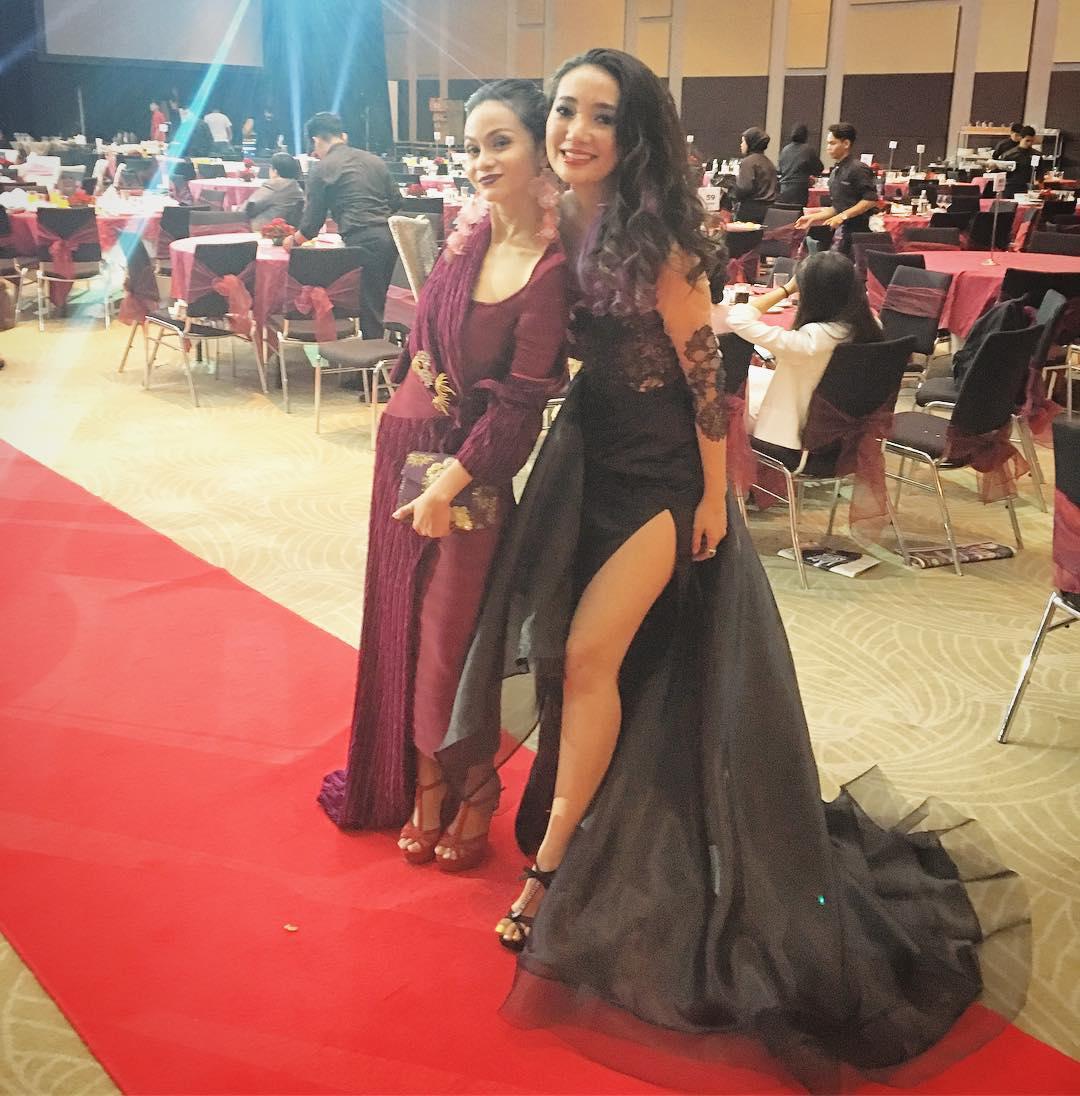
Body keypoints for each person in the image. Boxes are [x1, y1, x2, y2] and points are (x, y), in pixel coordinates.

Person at [439, 48, 1028, 1095]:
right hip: (586, 459)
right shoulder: (553, 220)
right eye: (565, 111)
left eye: (602, 117)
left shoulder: (659, 242)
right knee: (576, 659)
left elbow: (707, 377)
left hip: (664, 476)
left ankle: (551, 870)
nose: (576, 132)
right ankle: (595, 828)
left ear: (634, 134)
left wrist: (711, 498)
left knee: (586, 659)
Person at [317, 80, 568, 874]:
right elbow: (423, 340)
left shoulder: (550, 270)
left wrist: (448, 482)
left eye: (501, 143)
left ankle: (474, 789)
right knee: (398, 621)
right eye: (473, 146)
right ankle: (421, 783)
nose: (481, 161)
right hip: (405, 452)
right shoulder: (468, 235)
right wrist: (406, 401)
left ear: (541, 154)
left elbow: (522, 407)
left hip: (467, 474)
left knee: (449, 640)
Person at [726, 251, 880, 463]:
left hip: (793, 438)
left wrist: (786, 289)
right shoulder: (872, 326)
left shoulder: (810, 341)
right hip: (847, 435)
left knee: (732, 399)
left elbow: (738, 318)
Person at [286, 112, 402, 338]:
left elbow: (312, 223)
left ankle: (370, 356)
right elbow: (397, 201)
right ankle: (381, 351)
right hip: (389, 238)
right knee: (379, 303)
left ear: (316, 140)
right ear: (343, 136)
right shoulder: (374, 160)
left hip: (360, 241)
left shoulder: (322, 169)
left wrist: (293, 241)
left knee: (369, 307)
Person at [794, 121, 879, 254]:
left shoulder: (858, 169)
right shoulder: (836, 171)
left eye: (832, 143)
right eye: (828, 143)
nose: (828, 147)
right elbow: (838, 208)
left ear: (846, 144)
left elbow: (870, 200)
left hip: (859, 233)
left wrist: (842, 216)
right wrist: (813, 218)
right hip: (842, 232)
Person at [245, 152, 304, 230]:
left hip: (264, 229)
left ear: (275, 171)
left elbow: (248, 208)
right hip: (285, 230)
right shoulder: (296, 188)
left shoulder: (273, 186)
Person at [731, 126, 777, 223]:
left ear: (750, 143)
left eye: (743, 142)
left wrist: (733, 191)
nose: (741, 145)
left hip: (750, 212)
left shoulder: (747, 162)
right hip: (769, 212)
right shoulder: (769, 162)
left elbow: (744, 188)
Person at [777, 122, 823, 207]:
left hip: (783, 189)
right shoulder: (808, 150)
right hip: (800, 190)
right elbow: (819, 169)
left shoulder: (785, 150)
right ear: (806, 135)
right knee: (798, 213)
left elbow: (779, 170)